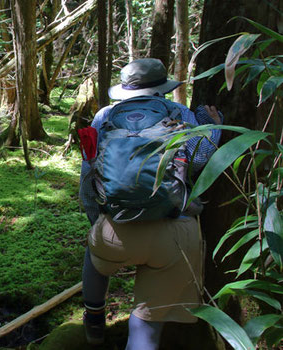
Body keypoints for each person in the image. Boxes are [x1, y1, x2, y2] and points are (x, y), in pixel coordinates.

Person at [79, 58, 222, 349]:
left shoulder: (104, 117)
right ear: (162, 87)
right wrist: (214, 127)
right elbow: (202, 157)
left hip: (114, 231)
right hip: (173, 231)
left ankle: (94, 318)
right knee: (147, 324)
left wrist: (99, 221)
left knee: (94, 254)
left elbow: (87, 178)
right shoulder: (178, 112)